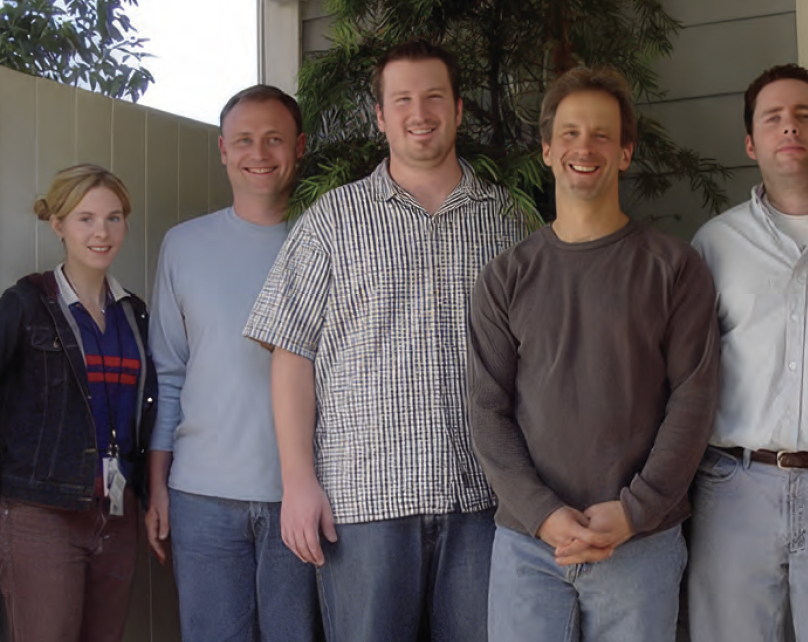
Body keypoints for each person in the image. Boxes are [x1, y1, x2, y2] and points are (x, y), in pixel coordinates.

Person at [242, 39, 527, 642]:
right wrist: (298, 484)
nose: (418, 112)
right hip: (363, 499)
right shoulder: (333, 220)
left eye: (433, 97)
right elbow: (292, 354)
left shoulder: (507, 221)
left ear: (457, 108)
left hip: (483, 496)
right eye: (402, 99)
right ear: (380, 116)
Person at [467, 66, 720, 642]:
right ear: (548, 149)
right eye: (572, 133)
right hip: (529, 547)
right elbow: (487, 411)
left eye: (603, 134)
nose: (586, 147)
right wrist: (542, 513)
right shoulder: (506, 277)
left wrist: (635, 510)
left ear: (626, 153)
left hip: (641, 544)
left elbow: (694, 399)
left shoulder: (674, 268)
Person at [686, 64, 808, 642]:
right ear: (751, 143)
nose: (789, 128)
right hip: (735, 485)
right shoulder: (715, 243)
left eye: (805, 115)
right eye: (772, 119)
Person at [0, 164, 156, 642]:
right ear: (59, 225)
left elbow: (149, 412)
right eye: (85, 218)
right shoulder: (28, 304)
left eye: (114, 218)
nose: (101, 232)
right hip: (42, 519)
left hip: (117, 517)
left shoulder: (135, 312)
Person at [144, 85, 318, 642]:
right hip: (203, 499)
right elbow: (167, 375)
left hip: (305, 494)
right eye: (244, 140)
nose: (259, 153)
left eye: (274, 139)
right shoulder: (184, 246)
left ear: (301, 146)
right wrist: (159, 486)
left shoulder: (329, 241)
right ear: (223, 149)